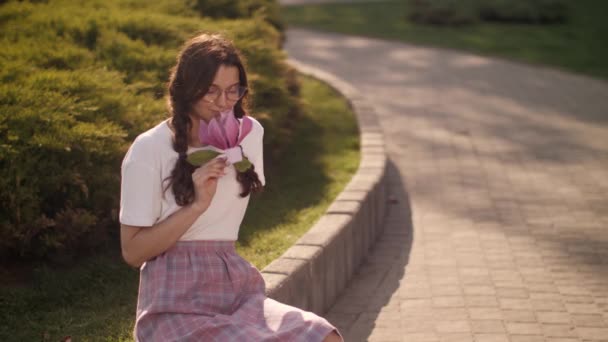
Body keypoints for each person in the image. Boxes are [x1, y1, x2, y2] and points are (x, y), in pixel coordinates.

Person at [119, 32, 343, 341]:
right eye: (210, 91)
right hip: (172, 303)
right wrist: (196, 206)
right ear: (185, 89)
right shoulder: (149, 148)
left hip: (236, 291)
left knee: (323, 335)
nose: (223, 102)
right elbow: (132, 252)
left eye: (232, 91)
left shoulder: (249, 136)